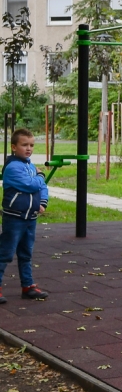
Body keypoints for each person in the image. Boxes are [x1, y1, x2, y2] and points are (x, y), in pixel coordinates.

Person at [0, 129, 51, 303]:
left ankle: (28, 286)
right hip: (14, 217)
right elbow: (31, 185)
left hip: (30, 217)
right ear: (14, 147)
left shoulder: (30, 165)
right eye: (24, 145)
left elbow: (42, 187)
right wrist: (41, 175)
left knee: (26, 253)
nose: (29, 148)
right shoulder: (13, 167)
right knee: (5, 253)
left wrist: (42, 202)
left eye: (31, 145)